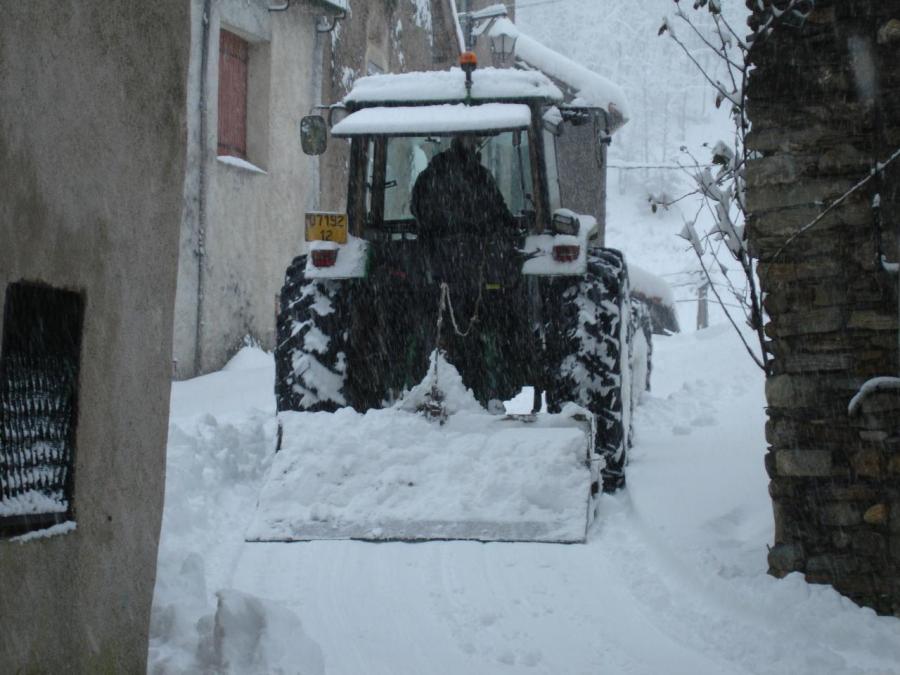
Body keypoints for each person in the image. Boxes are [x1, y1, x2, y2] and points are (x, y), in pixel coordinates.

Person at [410, 135, 514, 239]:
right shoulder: (481, 177)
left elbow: (499, 210)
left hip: (440, 244)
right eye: (472, 137)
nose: (477, 141)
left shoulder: (432, 173)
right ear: (460, 138)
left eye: (477, 138)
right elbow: (499, 211)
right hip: (471, 244)